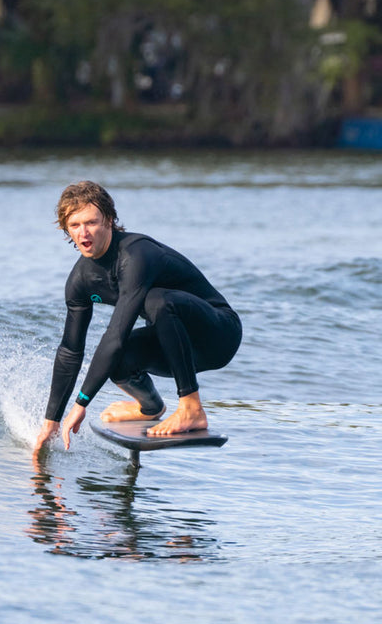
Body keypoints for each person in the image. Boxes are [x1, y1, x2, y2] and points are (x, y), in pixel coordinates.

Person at [33, 181, 242, 451]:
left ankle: (191, 407)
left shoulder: (136, 254)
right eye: (75, 225)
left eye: (91, 222)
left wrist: (81, 403)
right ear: (66, 229)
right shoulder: (81, 280)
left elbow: (117, 333)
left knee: (157, 301)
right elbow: (70, 351)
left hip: (218, 336)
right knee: (116, 360)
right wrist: (51, 422)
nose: (84, 232)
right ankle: (150, 406)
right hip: (176, 347)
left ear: (109, 220)